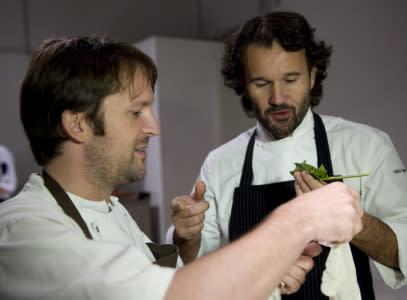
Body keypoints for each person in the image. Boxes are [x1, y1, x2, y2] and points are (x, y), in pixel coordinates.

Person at [0, 35, 364, 300]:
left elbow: (181, 285)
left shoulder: (111, 211)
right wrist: (298, 220)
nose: (153, 127)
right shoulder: (23, 231)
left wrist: (266, 278)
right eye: (136, 111)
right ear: (77, 124)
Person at [168, 11, 407, 300]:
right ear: (244, 85)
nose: (277, 98)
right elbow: (194, 267)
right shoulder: (221, 163)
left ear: (312, 75)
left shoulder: (365, 145)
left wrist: (357, 222)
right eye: (261, 83)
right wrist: (185, 236)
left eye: (291, 79)